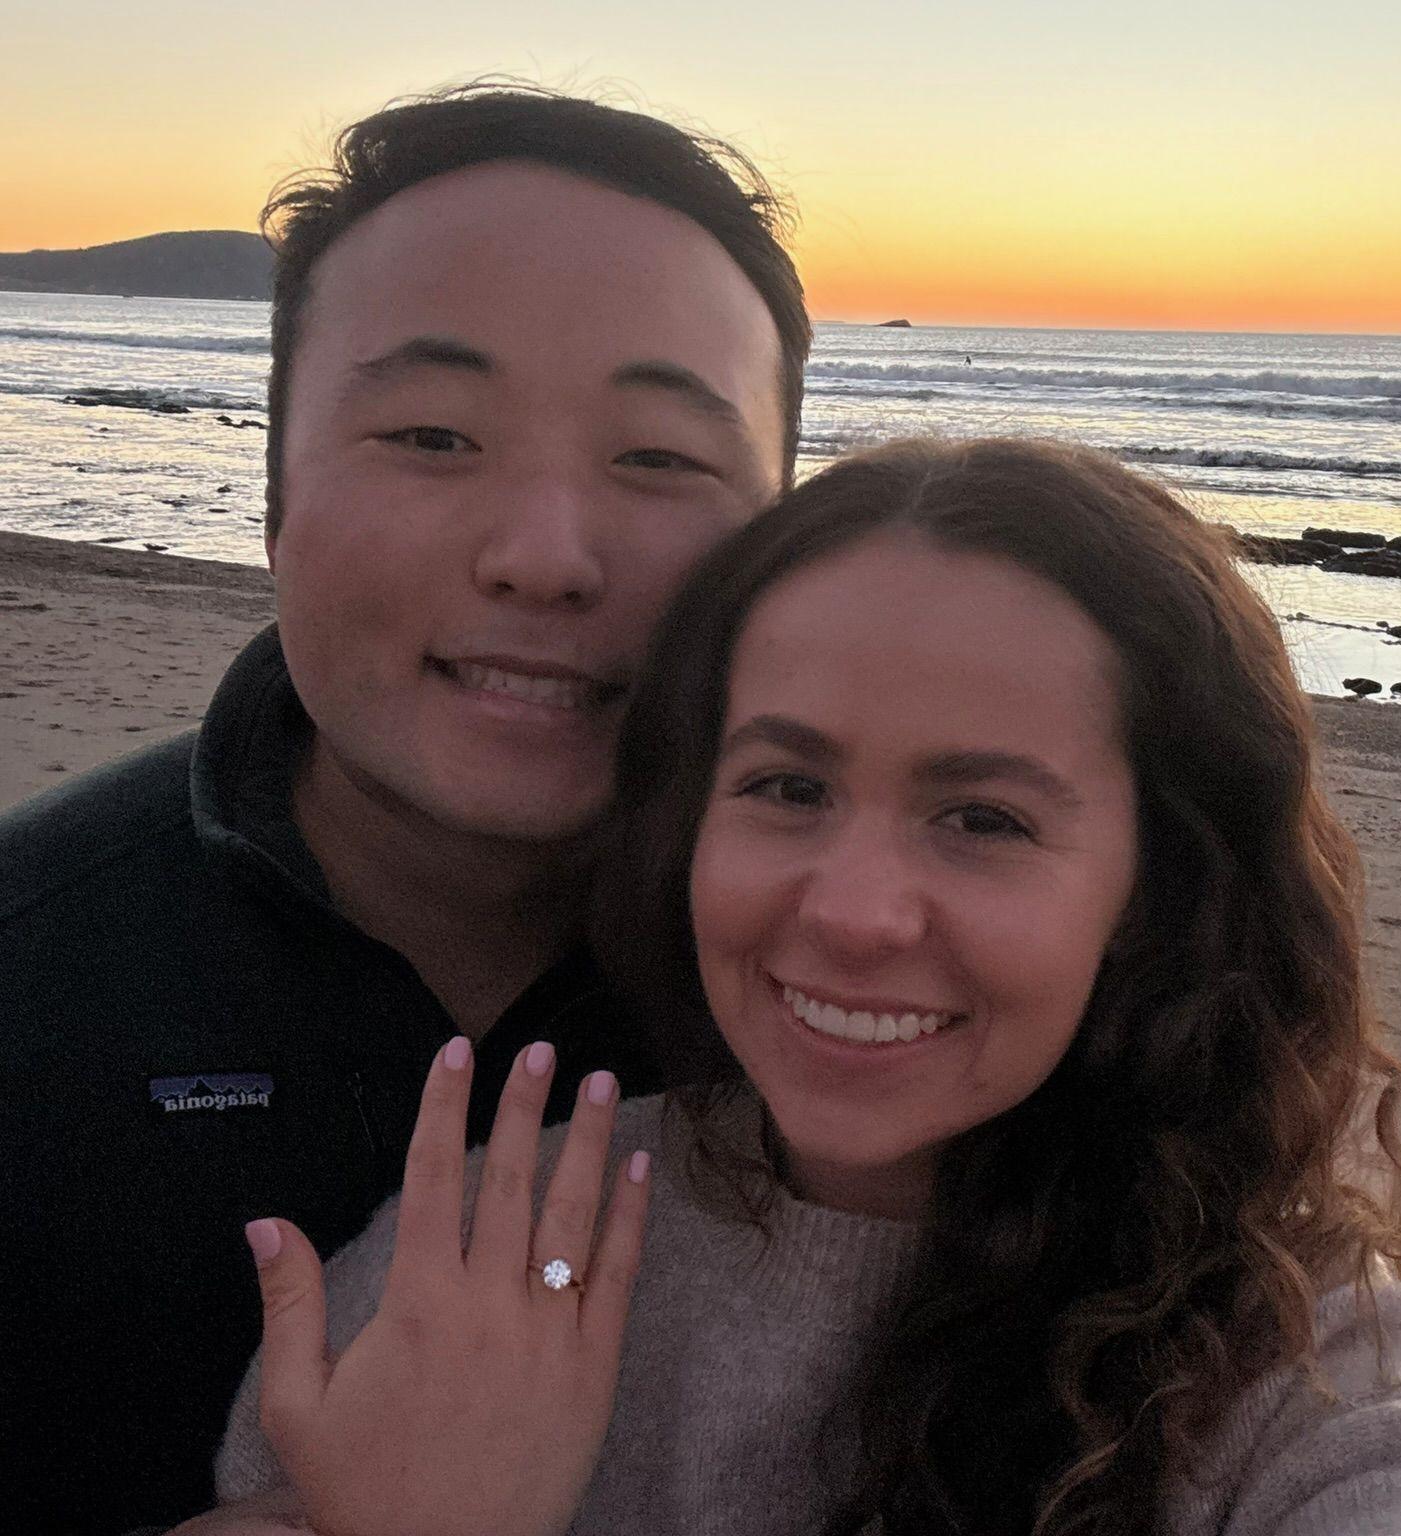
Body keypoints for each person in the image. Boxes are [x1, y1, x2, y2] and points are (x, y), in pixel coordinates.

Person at [205, 439, 1401, 1535]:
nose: (851, 914)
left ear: (1155, 889)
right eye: (788, 787)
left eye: (984, 819)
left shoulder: (1317, 1375)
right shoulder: (491, 1249)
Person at [0, 81, 809, 1535]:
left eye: (659, 458)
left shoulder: (883, 1004)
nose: (545, 558)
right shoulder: (32, 970)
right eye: (434, 436)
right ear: (272, 501)